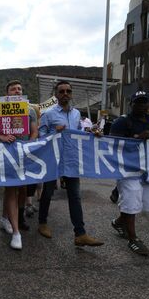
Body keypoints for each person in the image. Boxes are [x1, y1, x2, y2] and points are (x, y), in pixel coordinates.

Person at [36, 81, 104, 247]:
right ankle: (42, 223)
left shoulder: (76, 114)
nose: (65, 93)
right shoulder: (49, 114)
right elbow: (40, 135)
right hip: (54, 158)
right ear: (56, 94)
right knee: (48, 192)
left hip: (71, 159)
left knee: (75, 195)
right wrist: (54, 131)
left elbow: (77, 132)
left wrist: (89, 132)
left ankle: (80, 233)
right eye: (62, 91)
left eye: (68, 91)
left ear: (71, 93)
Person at [110, 91, 149, 256]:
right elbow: (112, 145)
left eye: (144, 102)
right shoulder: (121, 122)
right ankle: (133, 239)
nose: (141, 105)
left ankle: (119, 222)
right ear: (131, 104)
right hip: (128, 169)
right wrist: (137, 137)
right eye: (138, 102)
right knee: (132, 198)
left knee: (144, 204)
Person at [0, 80, 38, 250]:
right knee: (12, 188)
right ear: (7, 94)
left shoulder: (30, 110)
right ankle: (16, 233)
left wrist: (29, 146)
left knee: (22, 190)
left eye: (20, 89)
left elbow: (34, 132)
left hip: (24, 155)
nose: (17, 91)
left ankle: (7, 218)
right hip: (7, 155)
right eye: (13, 89)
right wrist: (2, 137)